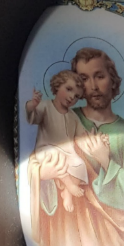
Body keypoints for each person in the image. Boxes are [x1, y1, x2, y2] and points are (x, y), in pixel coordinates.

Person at [29, 46, 124, 246]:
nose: (94, 87)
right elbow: (35, 158)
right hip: (65, 236)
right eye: (84, 79)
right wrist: (42, 174)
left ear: (112, 79)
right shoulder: (64, 118)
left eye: (99, 76)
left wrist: (105, 160)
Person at [25, 70, 89, 216]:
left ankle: (67, 193)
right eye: (68, 89)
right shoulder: (46, 106)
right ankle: (69, 185)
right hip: (46, 151)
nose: (72, 97)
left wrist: (91, 137)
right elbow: (32, 117)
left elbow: (82, 134)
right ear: (57, 86)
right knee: (54, 156)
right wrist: (31, 105)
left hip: (67, 152)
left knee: (80, 164)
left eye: (77, 96)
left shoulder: (73, 116)